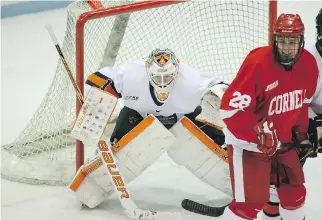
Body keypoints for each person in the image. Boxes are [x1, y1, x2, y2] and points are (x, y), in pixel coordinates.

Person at [68, 48, 228, 208]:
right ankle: (89, 189)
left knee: (216, 149)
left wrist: (216, 96)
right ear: (147, 70)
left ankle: (245, 186)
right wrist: (97, 98)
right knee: (118, 152)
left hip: (185, 116)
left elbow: (222, 87)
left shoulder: (192, 81)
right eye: (158, 77)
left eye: (168, 76)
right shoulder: (131, 74)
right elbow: (100, 78)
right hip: (138, 115)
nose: (163, 82)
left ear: (177, 70)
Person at [219, 13, 319, 220]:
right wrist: (258, 134)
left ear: (301, 40)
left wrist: (300, 135)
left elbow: (303, 104)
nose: (287, 47)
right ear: (274, 40)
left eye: (292, 41)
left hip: (283, 142)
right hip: (247, 145)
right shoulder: (258, 63)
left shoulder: (309, 63)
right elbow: (229, 111)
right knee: (249, 204)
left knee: (295, 195)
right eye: (282, 40)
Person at [260, 8, 322, 220]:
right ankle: (273, 203)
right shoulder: (306, 59)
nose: (287, 47)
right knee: (289, 161)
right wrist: (304, 134)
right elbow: (296, 103)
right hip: (304, 117)